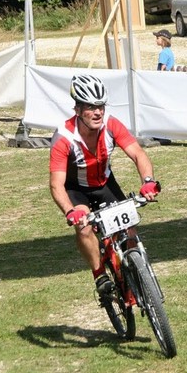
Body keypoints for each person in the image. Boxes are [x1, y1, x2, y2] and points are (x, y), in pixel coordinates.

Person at [49, 74, 161, 296]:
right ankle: (99, 274)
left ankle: (135, 273)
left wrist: (148, 182)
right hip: (76, 190)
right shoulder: (63, 137)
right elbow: (56, 184)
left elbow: (138, 154)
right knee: (84, 228)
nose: (98, 112)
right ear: (77, 110)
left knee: (129, 229)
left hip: (104, 184)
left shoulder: (110, 124)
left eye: (100, 106)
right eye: (91, 107)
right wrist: (70, 211)